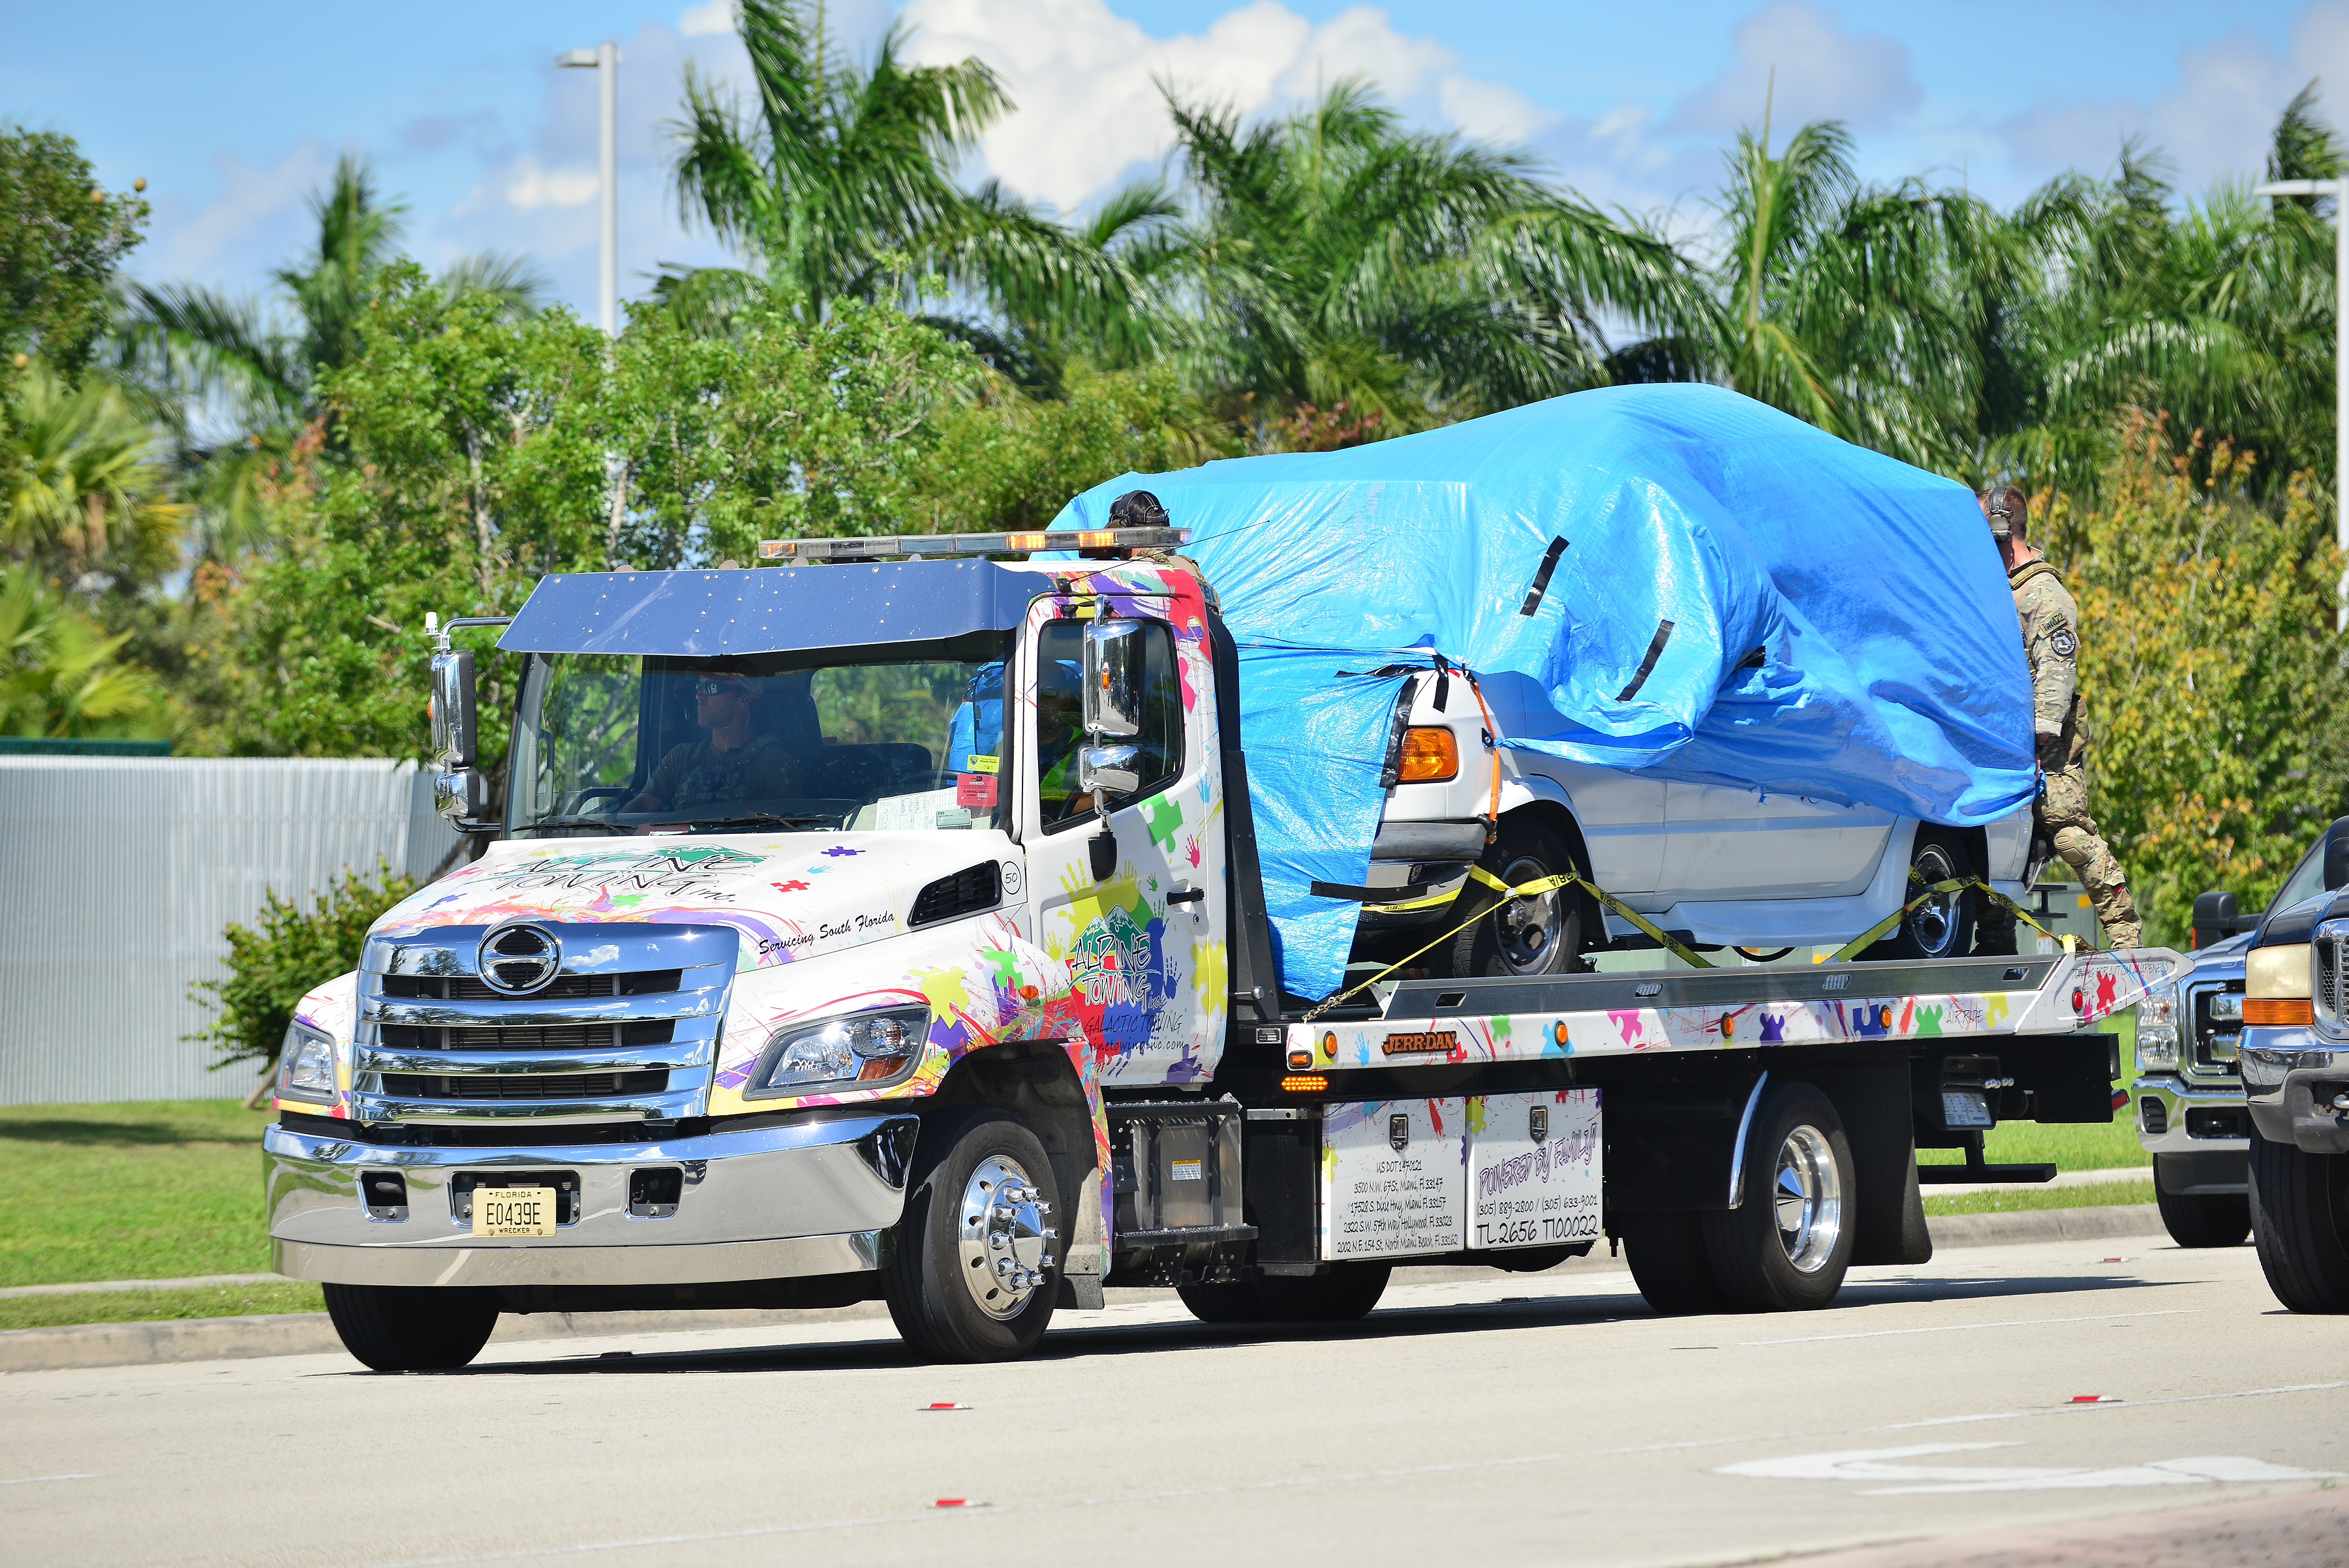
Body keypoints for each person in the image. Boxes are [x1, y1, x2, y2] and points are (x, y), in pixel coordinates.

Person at [1973, 485, 2143, 952]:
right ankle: (1994, 941)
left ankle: (2125, 935)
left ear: (2002, 531)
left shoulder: (2044, 594)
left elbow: (2056, 671)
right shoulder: (1999, 591)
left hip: (2045, 747)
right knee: (1994, 837)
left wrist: (2041, 736)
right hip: (2002, 742)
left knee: (2065, 828)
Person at [621, 668, 799, 817]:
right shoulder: (681, 757)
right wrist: (608, 831)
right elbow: (644, 804)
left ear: (744, 699)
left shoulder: (775, 764)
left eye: (711, 688)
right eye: (699, 687)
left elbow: (780, 833)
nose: (699, 695)